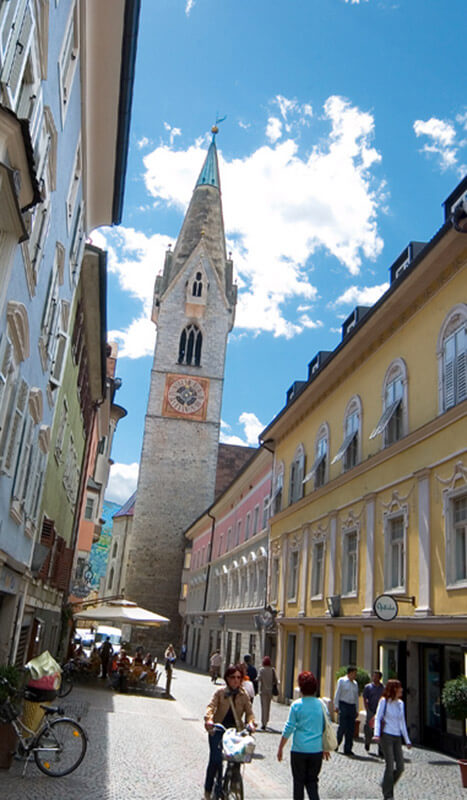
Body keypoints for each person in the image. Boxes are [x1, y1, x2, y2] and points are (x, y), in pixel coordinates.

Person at [203, 664, 256, 800]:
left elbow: (250, 713)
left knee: (237, 760)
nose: (236, 680)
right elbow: (211, 707)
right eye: (233, 677)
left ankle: (233, 782)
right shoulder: (220, 692)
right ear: (227, 678)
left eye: (239, 677)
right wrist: (209, 719)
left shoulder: (244, 695)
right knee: (215, 760)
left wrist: (251, 723)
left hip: (235, 733)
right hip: (218, 729)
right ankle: (208, 791)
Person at [277, 671, 330, 800]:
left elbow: (289, 728)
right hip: (316, 750)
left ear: (301, 687)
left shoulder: (296, 705)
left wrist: (281, 747)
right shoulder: (321, 705)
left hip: (299, 750)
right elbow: (325, 727)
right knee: (312, 783)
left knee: (298, 783)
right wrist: (326, 747)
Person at [373, 679, 411, 800]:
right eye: (399, 687)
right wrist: (376, 734)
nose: (402, 690)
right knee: (389, 765)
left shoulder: (400, 704)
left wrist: (407, 740)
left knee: (400, 767)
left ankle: (386, 784)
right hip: (386, 736)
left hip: (397, 736)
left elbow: (402, 722)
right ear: (394, 689)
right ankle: (388, 795)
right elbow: (378, 718)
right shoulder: (384, 701)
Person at [333, 666, 359, 756]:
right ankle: (336, 744)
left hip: (352, 706)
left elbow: (356, 698)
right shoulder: (342, 681)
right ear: (350, 673)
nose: (355, 675)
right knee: (342, 727)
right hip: (343, 705)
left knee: (351, 729)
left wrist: (357, 709)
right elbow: (337, 693)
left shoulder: (355, 684)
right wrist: (336, 705)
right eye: (354, 673)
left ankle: (348, 748)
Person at [363, 670, 384, 756]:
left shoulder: (383, 688)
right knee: (369, 729)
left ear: (379, 678)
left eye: (376, 676)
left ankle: (381, 749)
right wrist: (367, 709)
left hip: (380, 711)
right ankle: (367, 742)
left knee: (380, 730)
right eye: (373, 676)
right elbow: (365, 698)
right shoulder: (368, 687)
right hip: (371, 710)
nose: (374, 678)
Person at [258, 655, 278, 730]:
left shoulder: (261, 670)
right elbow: (276, 680)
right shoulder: (272, 670)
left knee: (263, 707)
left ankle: (263, 723)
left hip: (263, 691)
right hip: (270, 691)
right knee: (268, 706)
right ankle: (266, 720)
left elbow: (259, 678)